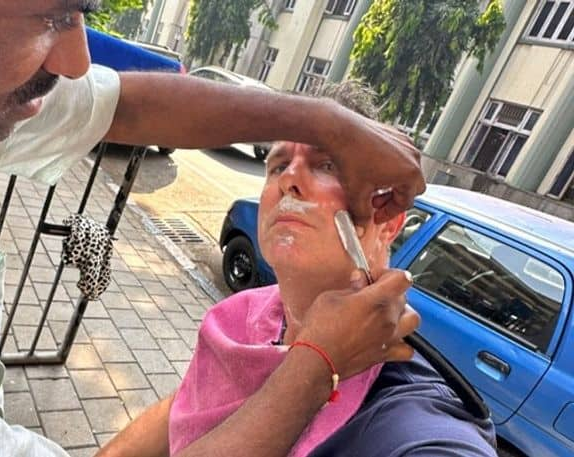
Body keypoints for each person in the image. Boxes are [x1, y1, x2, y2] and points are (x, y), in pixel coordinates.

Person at [0, 1, 424, 455]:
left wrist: (328, 122)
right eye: (45, 16)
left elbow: (128, 104)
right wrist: (318, 364)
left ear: (386, 218)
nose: (77, 60)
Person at [96, 99, 497, 455]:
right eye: (278, 165)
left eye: (326, 165)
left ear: (389, 221)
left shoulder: (407, 417)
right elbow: (182, 410)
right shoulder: (237, 318)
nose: (289, 180)